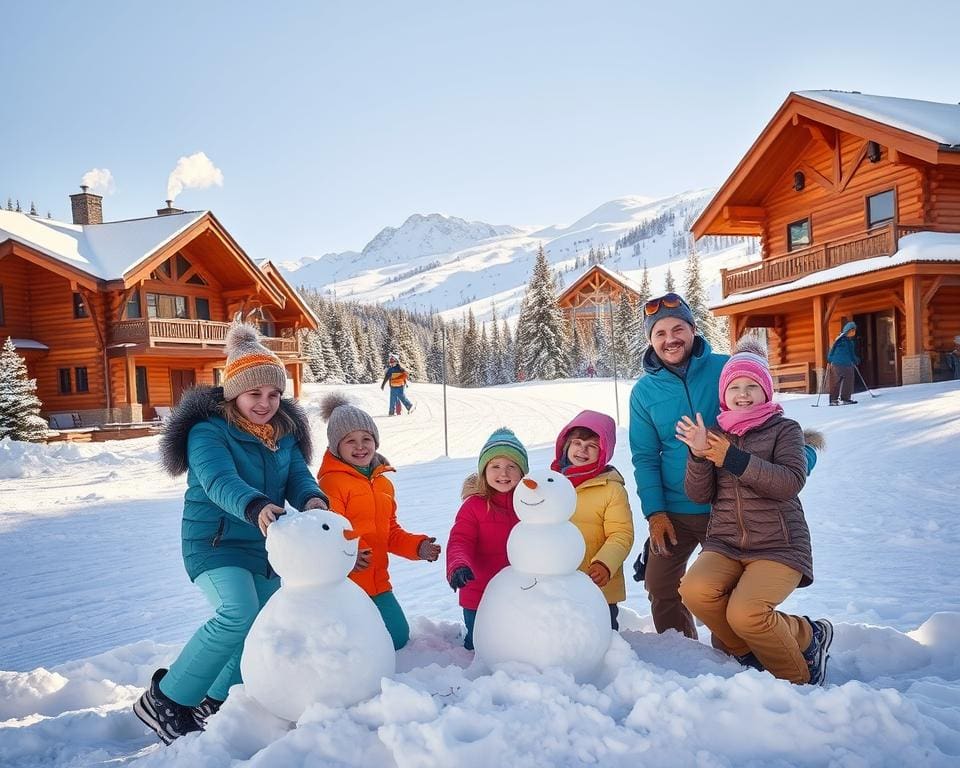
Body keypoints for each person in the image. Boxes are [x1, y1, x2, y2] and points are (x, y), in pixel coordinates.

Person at [134, 322, 328, 745]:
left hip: (264, 545)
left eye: (274, 394)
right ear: (233, 392)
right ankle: (167, 698)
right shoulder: (208, 432)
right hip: (215, 542)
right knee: (237, 613)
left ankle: (216, 698)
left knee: (261, 623)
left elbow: (297, 475)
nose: (265, 403)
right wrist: (256, 504)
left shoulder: (284, 434)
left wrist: (313, 499)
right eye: (255, 393)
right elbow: (218, 479)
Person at [676, 337, 832, 685]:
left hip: (779, 545)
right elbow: (700, 495)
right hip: (727, 543)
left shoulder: (785, 430)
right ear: (724, 392)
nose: (742, 394)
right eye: (734, 386)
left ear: (766, 391)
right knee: (694, 590)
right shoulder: (715, 433)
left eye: (751, 386)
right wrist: (699, 455)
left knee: (746, 612)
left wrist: (731, 457)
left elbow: (789, 482)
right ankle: (747, 653)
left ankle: (802, 674)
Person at [628, 292, 728, 638]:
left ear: (693, 329)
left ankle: (735, 651)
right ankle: (681, 653)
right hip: (674, 509)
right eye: (659, 333)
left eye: (677, 329)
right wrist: (655, 513)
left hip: (726, 504)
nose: (670, 339)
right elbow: (644, 456)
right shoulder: (644, 392)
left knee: (723, 585)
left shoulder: (725, 369)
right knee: (660, 584)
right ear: (650, 340)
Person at [317, 394, 440, 649]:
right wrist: (347, 558)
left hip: (378, 582)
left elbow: (390, 532)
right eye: (350, 441)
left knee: (396, 637)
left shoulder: (383, 483)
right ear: (335, 447)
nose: (360, 446)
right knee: (358, 643)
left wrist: (418, 547)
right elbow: (327, 534)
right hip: (345, 585)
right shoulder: (331, 483)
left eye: (366, 439)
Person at [446, 427, 528, 650]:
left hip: (518, 593)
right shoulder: (473, 506)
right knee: (481, 645)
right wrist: (458, 565)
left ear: (522, 472)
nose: (504, 473)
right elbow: (460, 540)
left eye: (512, 466)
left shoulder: (530, 504)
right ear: (484, 471)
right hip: (479, 594)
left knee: (517, 642)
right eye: (495, 466)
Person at [551, 411, 634, 630]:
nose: (582, 450)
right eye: (577, 443)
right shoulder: (551, 485)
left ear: (604, 451)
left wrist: (604, 564)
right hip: (557, 583)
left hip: (598, 584)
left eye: (592, 446)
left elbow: (621, 534)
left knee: (600, 636)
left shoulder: (611, 489)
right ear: (565, 446)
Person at [826, 321, 859, 405]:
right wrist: (855, 360)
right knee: (845, 380)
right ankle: (842, 399)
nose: (854, 332)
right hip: (841, 364)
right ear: (848, 331)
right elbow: (851, 354)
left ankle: (836, 399)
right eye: (852, 330)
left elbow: (832, 350)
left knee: (840, 381)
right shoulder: (844, 341)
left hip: (842, 363)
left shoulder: (840, 340)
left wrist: (830, 358)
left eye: (854, 330)